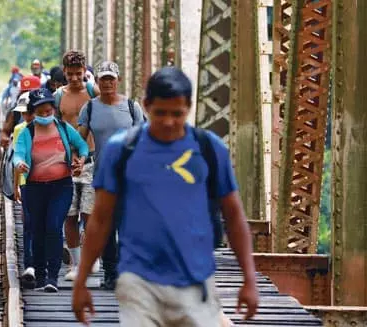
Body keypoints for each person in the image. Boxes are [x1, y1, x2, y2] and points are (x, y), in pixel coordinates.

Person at [72, 67, 259, 326]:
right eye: (160, 113)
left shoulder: (209, 149)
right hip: (139, 282)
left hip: (195, 280)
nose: (169, 122)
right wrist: (81, 282)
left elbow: (234, 216)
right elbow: (101, 219)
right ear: (147, 106)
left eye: (177, 114)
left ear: (189, 108)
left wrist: (249, 279)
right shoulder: (122, 150)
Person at [76, 61, 145, 289]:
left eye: (110, 79)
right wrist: (77, 158)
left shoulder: (132, 107)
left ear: (118, 80)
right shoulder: (91, 108)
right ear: (96, 81)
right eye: (103, 78)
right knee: (107, 227)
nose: (107, 83)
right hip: (103, 178)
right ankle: (110, 273)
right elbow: (81, 139)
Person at [13, 88, 89, 292]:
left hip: (60, 185)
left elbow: (82, 146)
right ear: (33, 112)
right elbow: (17, 154)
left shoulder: (64, 128)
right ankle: (40, 275)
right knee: (37, 230)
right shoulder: (27, 132)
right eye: (41, 112)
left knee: (54, 226)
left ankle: (52, 277)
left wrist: (81, 161)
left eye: (48, 111)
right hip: (34, 188)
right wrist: (20, 164)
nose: (45, 115)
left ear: (53, 110)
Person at [54, 50, 99, 281]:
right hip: (66, 163)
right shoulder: (58, 96)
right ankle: (75, 264)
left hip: (90, 161)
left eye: (78, 74)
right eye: (70, 74)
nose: (74, 78)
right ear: (64, 72)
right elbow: (52, 125)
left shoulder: (91, 91)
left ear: (85, 72)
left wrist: (93, 84)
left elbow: (108, 105)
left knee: (89, 214)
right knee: (69, 216)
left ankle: (92, 258)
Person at [11, 92, 36, 288]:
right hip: (26, 183)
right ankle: (29, 264)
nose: (27, 116)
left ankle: (40, 263)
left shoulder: (48, 128)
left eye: (29, 112)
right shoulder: (19, 130)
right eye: (24, 113)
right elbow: (15, 160)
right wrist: (15, 186)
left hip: (47, 181)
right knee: (28, 224)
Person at [1, 75, 42, 149]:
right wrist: (5, 139)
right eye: (25, 92)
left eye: (31, 93)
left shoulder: (46, 110)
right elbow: (5, 132)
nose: (28, 96)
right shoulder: (15, 112)